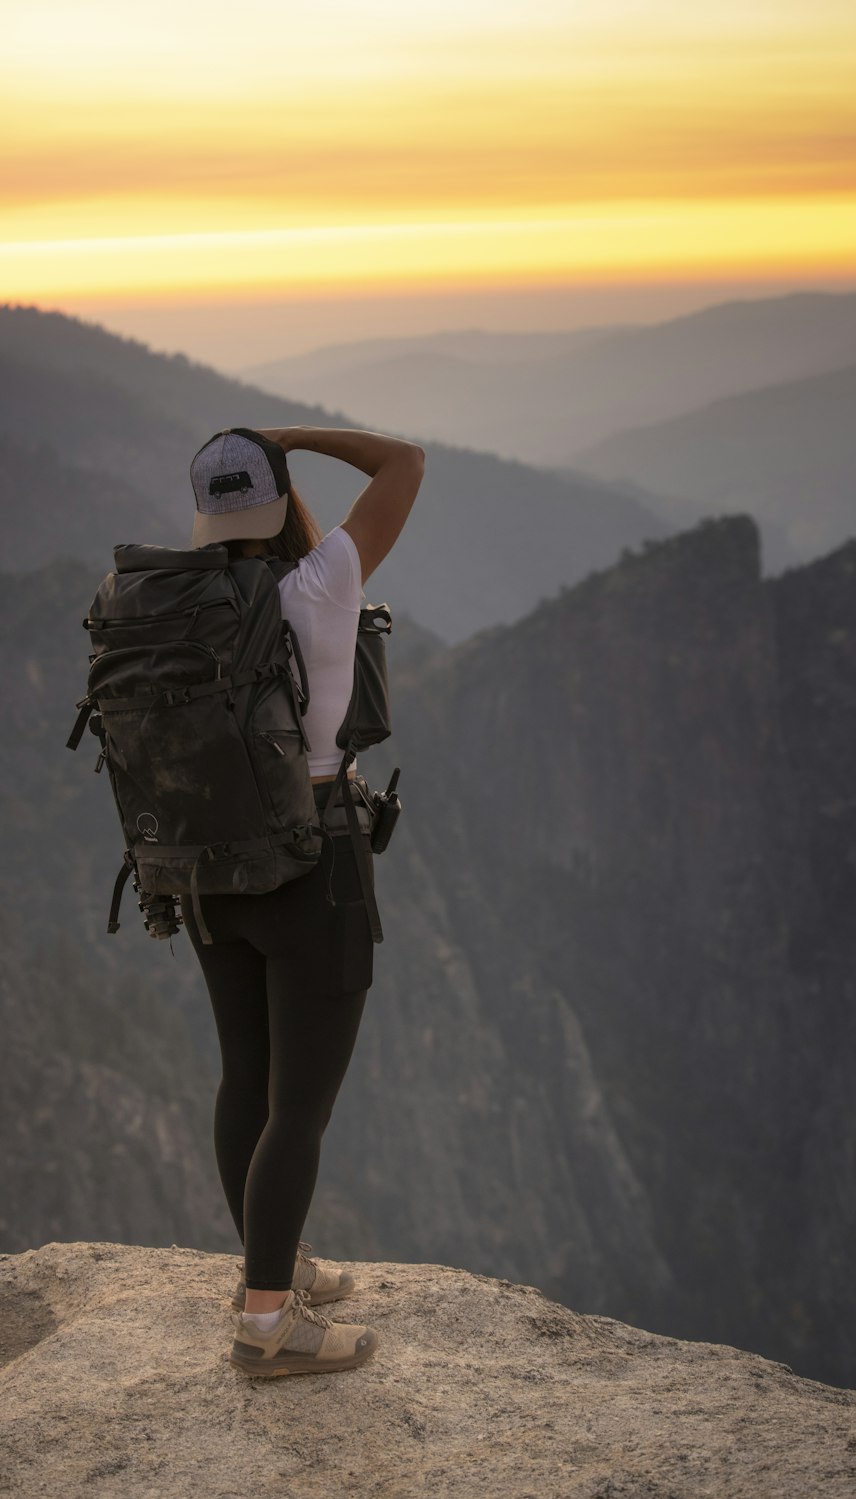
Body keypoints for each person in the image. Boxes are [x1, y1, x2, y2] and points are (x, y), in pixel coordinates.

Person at [180, 424, 424, 1378]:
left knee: (245, 1076)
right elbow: (405, 461)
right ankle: (267, 1323)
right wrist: (292, 439)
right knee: (300, 1106)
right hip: (310, 863)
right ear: (279, 500)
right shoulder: (319, 583)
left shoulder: (174, 598)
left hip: (206, 871)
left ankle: (266, 1271)